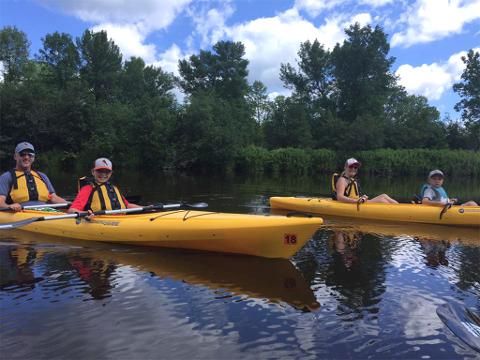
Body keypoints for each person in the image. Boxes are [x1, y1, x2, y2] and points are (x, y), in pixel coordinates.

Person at [0, 142, 67, 211]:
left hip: (45, 211)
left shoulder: (42, 176)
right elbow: (0, 202)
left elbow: (54, 198)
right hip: (20, 212)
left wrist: (71, 204)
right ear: (15, 157)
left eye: (30, 155)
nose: (26, 157)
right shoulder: (6, 177)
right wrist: (9, 206)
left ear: (33, 158)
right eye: (22, 154)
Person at [68, 158, 140, 218]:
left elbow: (127, 205)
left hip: (121, 219)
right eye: (99, 171)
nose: (103, 174)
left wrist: (146, 208)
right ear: (93, 172)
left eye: (107, 172)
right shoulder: (87, 189)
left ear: (111, 173)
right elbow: (71, 210)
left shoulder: (113, 188)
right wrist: (85, 213)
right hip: (99, 221)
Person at [333, 158, 398, 204]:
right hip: (352, 204)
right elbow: (340, 197)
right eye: (351, 166)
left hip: (358, 202)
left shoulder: (351, 180)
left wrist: (362, 198)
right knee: (382, 201)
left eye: (355, 167)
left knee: (384, 195)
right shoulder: (342, 180)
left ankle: (400, 207)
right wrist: (356, 201)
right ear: (345, 167)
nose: (353, 168)